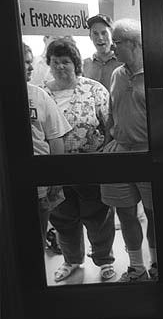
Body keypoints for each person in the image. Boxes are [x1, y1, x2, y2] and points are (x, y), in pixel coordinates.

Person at [41, 38, 116, 282]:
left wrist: (106, 156)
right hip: (55, 168)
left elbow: (110, 127)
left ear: (76, 63)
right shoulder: (43, 93)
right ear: (49, 64)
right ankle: (71, 260)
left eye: (66, 61)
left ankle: (104, 261)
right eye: (55, 62)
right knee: (63, 218)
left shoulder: (95, 90)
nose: (60, 66)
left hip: (90, 166)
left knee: (99, 217)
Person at [99, 18, 158, 282]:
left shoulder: (158, 72)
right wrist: (110, 139)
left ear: (134, 43)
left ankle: (158, 264)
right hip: (120, 152)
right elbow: (112, 110)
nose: (112, 48)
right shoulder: (116, 74)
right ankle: (136, 268)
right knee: (124, 212)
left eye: (117, 43)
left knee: (155, 212)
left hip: (151, 153)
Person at [23, 43, 72, 250]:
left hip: (39, 187)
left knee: (37, 243)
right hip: (10, 187)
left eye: (30, 61)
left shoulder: (39, 96)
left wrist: (56, 179)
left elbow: (55, 139)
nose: (31, 67)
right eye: (25, 62)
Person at [82, 14, 122, 91]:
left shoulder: (123, 62)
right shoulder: (85, 65)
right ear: (90, 36)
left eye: (104, 33)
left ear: (112, 35)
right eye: (95, 33)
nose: (100, 38)